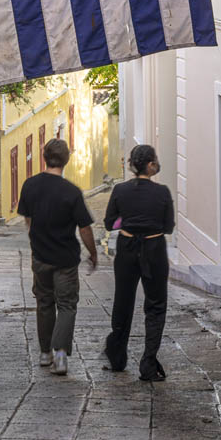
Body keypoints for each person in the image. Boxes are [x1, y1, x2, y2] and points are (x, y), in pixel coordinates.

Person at [18, 138, 97, 377]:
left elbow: (28, 219)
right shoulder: (71, 192)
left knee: (44, 303)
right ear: (66, 160)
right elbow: (84, 228)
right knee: (66, 305)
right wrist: (93, 253)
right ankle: (60, 356)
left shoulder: (30, 185)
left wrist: (36, 238)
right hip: (65, 260)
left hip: (40, 257)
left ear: (44, 157)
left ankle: (45, 353)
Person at [103, 144, 174, 382]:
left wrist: (128, 221)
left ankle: (117, 358)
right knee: (155, 307)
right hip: (154, 250)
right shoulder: (162, 192)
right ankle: (148, 364)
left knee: (123, 301)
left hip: (127, 248)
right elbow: (168, 227)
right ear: (151, 164)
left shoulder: (120, 190)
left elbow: (109, 222)